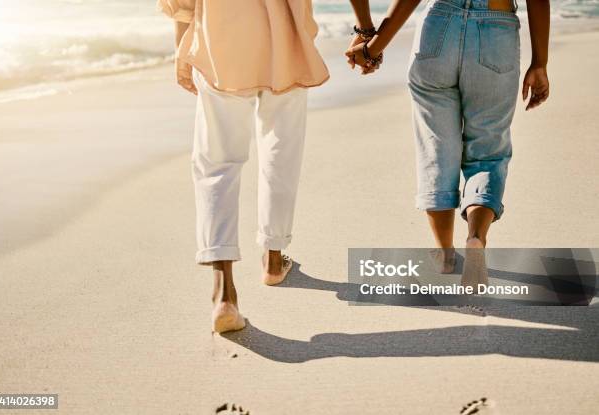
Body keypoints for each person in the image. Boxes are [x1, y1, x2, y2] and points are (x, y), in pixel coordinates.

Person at [347, 0, 550, 282]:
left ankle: (444, 254)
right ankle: (476, 238)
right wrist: (539, 63)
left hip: (439, 26)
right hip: (497, 30)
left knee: (437, 148)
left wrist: (373, 47)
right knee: (488, 151)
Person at [157, 0, 329, 333]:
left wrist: (182, 44)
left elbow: (181, 3)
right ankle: (274, 258)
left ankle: (224, 293)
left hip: (221, 40)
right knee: (282, 149)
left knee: (217, 162)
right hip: (286, 42)